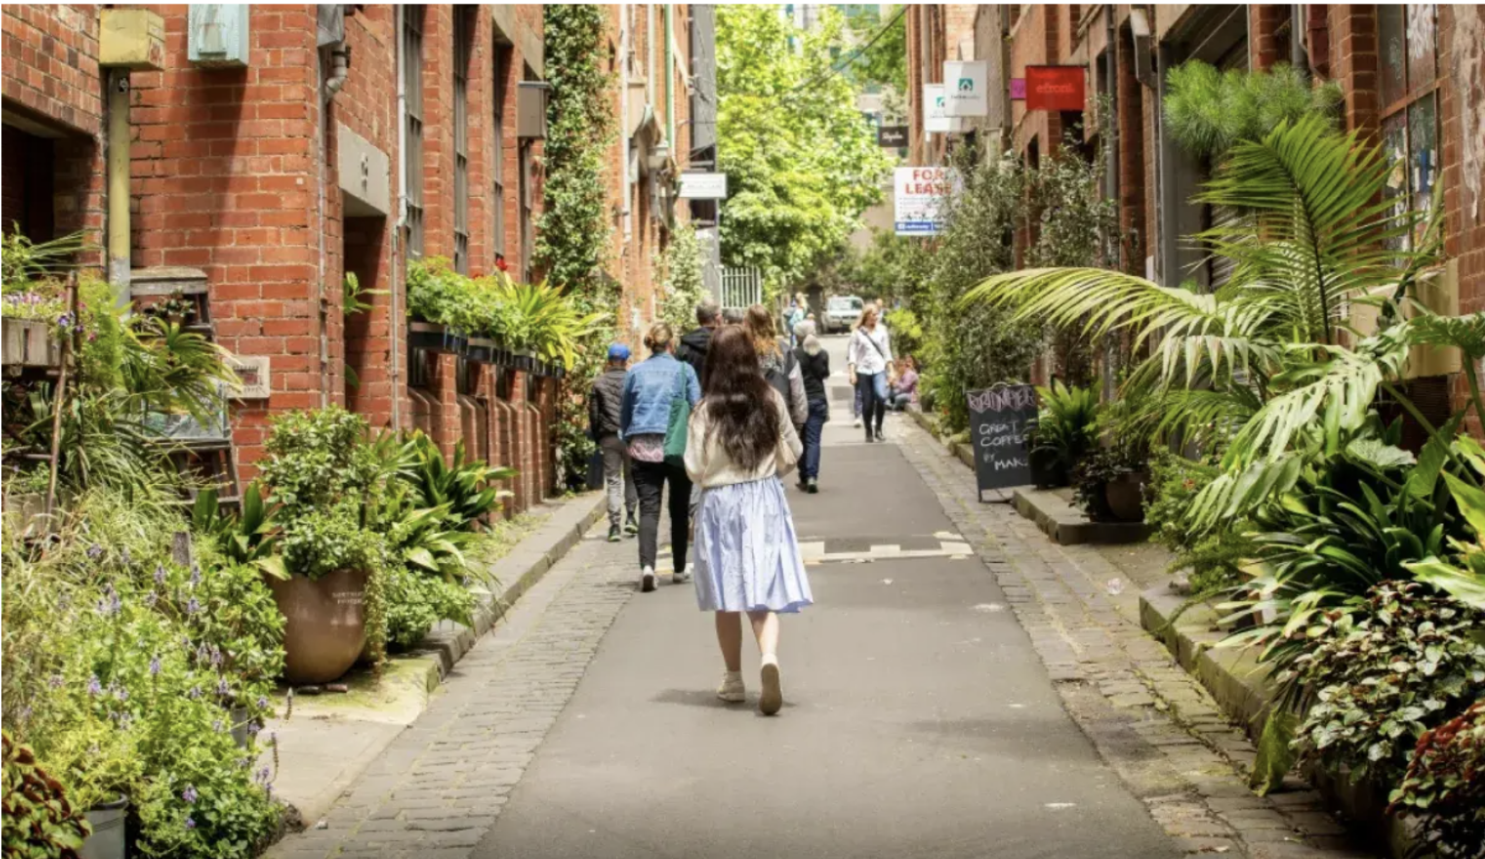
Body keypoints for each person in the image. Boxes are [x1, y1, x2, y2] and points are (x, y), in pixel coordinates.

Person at [685, 325, 812, 716]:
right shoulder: (770, 398)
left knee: (728, 594)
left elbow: (693, 466)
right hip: (763, 497)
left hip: (721, 503)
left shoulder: (706, 408)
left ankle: (733, 679)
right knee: (763, 589)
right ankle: (768, 657)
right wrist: (772, 469)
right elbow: (794, 448)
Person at [619, 322, 701, 592]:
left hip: (643, 445)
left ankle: (647, 567)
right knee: (678, 509)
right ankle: (678, 568)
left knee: (649, 509)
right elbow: (697, 406)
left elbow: (626, 410)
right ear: (671, 344)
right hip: (675, 446)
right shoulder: (683, 369)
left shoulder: (635, 372)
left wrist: (628, 437)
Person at [589, 344, 638, 541]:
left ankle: (615, 525)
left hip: (608, 435)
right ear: (626, 361)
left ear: (609, 360)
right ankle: (632, 518)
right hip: (630, 436)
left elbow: (593, 413)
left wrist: (596, 435)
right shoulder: (633, 380)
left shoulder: (598, 382)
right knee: (631, 478)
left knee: (613, 481)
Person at [744, 304, 807, 430]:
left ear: (747, 324)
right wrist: (799, 420)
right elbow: (797, 389)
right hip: (781, 419)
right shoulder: (784, 351)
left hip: (750, 420)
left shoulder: (742, 350)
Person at [847, 302, 893, 443]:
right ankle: (868, 430)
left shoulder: (882, 330)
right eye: (873, 314)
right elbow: (852, 354)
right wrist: (852, 372)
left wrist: (891, 371)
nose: (875, 317)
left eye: (877, 314)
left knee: (881, 396)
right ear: (866, 316)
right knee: (867, 403)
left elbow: (886, 351)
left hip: (879, 369)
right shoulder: (857, 332)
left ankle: (878, 428)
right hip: (863, 370)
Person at [793, 320, 829, 494]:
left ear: (798, 336)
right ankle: (812, 477)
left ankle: (803, 476)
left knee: (801, 439)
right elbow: (824, 375)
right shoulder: (822, 353)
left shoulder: (793, 354)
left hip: (800, 401)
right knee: (813, 440)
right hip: (818, 400)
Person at [675, 301, 720, 389]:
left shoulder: (685, 346)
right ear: (717, 317)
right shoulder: (725, 343)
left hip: (693, 399)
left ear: (698, 318)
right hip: (720, 397)